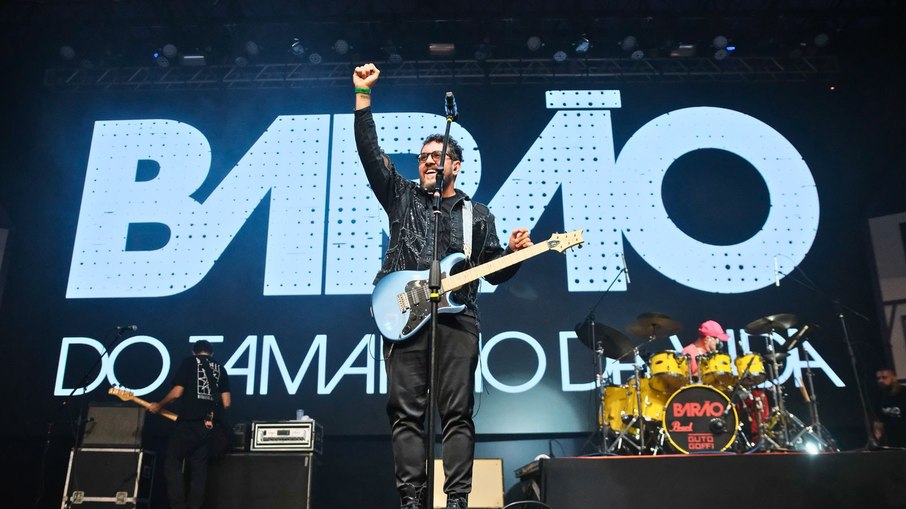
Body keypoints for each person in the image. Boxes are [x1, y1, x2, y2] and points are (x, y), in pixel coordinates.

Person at [353, 62, 534, 509]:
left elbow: (492, 271)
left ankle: (456, 500)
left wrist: (513, 255)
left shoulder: (478, 215)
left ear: (456, 165)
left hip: (458, 321)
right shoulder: (402, 196)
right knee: (405, 414)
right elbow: (371, 156)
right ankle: (412, 499)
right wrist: (363, 96)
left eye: (437, 156)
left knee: (457, 413)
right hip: (404, 315)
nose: (429, 161)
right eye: (423, 157)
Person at [148, 340, 231, 509]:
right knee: (199, 470)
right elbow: (227, 402)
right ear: (212, 353)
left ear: (194, 352)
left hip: (189, 423)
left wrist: (159, 405)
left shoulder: (189, 362)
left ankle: (178, 506)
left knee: (172, 463)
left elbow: (177, 393)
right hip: (208, 426)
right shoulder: (221, 368)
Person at [874, 367, 906, 447]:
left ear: (894, 378)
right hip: (893, 440)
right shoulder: (879, 396)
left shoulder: (903, 393)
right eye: (878, 378)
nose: (881, 380)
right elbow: (879, 420)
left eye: (884, 377)